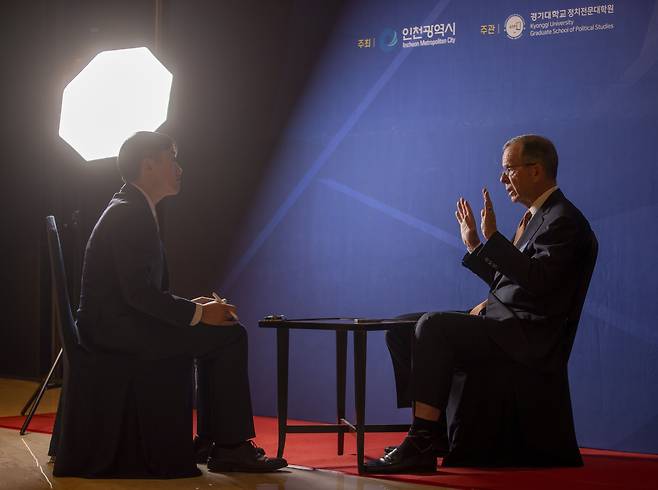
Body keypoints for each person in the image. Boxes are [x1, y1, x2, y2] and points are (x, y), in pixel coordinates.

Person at [366, 134, 593, 473]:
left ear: (535, 170)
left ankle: (420, 441)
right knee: (402, 327)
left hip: (527, 337)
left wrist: (494, 241)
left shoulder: (564, 220)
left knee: (433, 326)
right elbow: (516, 281)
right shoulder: (536, 216)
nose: (502, 180)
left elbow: (540, 283)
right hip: (505, 324)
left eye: (509, 170)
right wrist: (475, 245)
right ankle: (437, 434)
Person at [74, 131, 287, 474]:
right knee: (230, 335)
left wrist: (194, 307)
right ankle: (229, 446)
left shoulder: (131, 206)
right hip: (115, 331)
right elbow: (138, 295)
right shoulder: (131, 213)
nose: (179, 168)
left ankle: (212, 439)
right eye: (171, 158)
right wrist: (199, 312)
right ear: (148, 165)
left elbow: (138, 292)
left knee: (219, 333)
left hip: (117, 323)